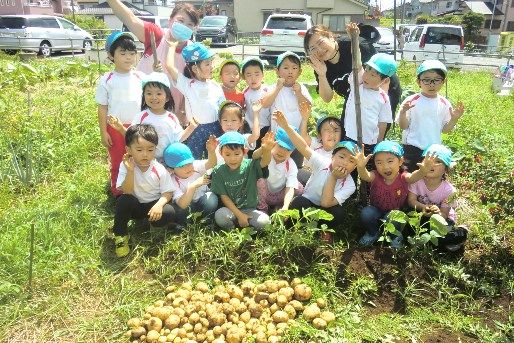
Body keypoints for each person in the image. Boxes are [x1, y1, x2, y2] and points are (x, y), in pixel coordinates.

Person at [105, 0, 199, 126]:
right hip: (142, 112)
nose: (184, 27)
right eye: (180, 21)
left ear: (194, 28)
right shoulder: (156, 36)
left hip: (172, 118)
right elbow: (130, 18)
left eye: (190, 24)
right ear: (170, 20)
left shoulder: (193, 53)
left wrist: (182, 111)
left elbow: (193, 86)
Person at [273, 110, 357, 244]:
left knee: (339, 214)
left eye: (351, 160)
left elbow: (325, 203)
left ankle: (323, 230)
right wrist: (286, 126)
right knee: (298, 202)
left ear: (356, 166)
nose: (345, 162)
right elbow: (303, 147)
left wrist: (333, 177)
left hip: (325, 208)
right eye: (341, 156)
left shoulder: (350, 185)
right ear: (332, 157)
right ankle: (295, 226)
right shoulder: (322, 162)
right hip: (308, 204)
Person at [304, 24, 402, 131]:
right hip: (354, 95)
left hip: (383, 89)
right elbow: (327, 98)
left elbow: (381, 76)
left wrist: (379, 107)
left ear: (331, 37)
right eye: (313, 48)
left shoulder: (355, 44)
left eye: (321, 43)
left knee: (374, 132)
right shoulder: (320, 65)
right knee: (347, 131)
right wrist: (322, 75)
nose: (319, 50)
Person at [354, 140, 435, 247]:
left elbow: (413, 177)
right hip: (376, 210)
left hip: (395, 212)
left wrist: (423, 171)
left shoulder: (403, 177)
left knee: (396, 216)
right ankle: (373, 233)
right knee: (366, 213)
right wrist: (360, 167)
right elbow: (365, 176)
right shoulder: (375, 175)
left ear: (400, 161)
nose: (385, 167)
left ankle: (394, 236)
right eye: (379, 162)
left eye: (390, 161)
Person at [112, 124, 175, 257]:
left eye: (150, 150)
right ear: (128, 150)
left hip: (153, 206)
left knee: (169, 211)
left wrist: (159, 205)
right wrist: (130, 171)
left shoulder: (158, 169)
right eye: (139, 150)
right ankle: (120, 235)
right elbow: (127, 191)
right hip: (134, 205)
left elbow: (168, 193)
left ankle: (154, 225)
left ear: (155, 150)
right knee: (124, 200)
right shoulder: (126, 166)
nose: (145, 154)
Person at [96, 31, 142, 197]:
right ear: (111, 55)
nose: (128, 57)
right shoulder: (107, 79)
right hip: (115, 128)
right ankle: (118, 191)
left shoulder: (140, 77)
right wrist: (103, 132)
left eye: (132, 53)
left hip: (138, 128)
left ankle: (137, 188)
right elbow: (102, 107)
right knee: (117, 160)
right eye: (122, 53)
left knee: (138, 158)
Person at [109, 72, 196, 160]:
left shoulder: (171, 118)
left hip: (168, 162)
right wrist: (120, 128)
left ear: (167, 98)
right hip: (146, 161)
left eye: (158, 94)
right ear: (144, 96)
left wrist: (191, 127)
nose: (154, 97)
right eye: (149, 93)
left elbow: (179, 138)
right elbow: (132, 137)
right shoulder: (141, 117)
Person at [397, 60, 465, 171]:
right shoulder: (411, 101)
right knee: (409, 177)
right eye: (427, 80)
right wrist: (403, 112)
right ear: (418, 82)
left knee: (429, 178)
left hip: (433, 150)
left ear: (444, 82)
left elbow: (445, 130)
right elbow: (403, 126)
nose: (432, 84)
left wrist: (454, 119)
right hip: (411, 148)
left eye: (437, 80)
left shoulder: (444, 103)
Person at [165, 40, 226, 159]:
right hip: (195, 129)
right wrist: (172, 47)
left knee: (216, 160)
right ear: (195, 68)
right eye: (207, 64)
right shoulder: (187, 84)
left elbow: (224, 107)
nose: (211, 67)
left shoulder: (215, 86)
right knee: (193, 160)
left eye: (211, 63)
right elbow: (169, 67)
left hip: (216, 128)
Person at [407, 144, 468, 252]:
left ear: (446, 169)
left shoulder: (449, 191)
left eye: (438, 161)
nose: (432, 164)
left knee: (434, 238)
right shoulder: (416, 181)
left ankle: (461, 232)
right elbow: (411, 201)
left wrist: (437, 212)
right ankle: (445, 241)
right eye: (428, 160)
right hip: (422, 215)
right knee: (410, 231)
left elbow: (444, 215)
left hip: (442, 219)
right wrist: (423, 207)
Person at [210, 131, 274, 230]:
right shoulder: (218, 171)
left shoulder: (250, 165)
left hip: (250, 209)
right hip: (230, 210)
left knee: (265, 222)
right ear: (221, 153)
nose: (232, 159)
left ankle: (245, 223)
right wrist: (239, 215)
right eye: (227, 154)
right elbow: (224, 197)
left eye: (237, 154)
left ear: (244, 152)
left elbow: (265, 162)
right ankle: (233, 229)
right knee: (220, 215)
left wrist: (267, 150)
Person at [261, 51, 313, 167]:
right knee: (275, 165)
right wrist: (278, 89)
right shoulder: (273, 88)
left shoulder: (301, 88)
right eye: (285, 68)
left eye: (294, 68)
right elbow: (265, 103)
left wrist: (298, 93)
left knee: (295, 164)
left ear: (299, 72)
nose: (290, 71)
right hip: (277, 137)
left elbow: (308, 107)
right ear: (277, 71)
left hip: (297, 137)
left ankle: (295, 184)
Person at [163, 139, 218, 226]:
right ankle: (186, 224)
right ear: (172, 169)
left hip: (202, 201)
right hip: (188, 206)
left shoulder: (196, 166)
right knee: (180, 210)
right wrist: (193, 186)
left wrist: (211, 151)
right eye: (181, 166)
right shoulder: (172, 181)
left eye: (189, 163)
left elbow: (212, 163)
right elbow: (182, 204)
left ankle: (207, 220)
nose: (188, 168)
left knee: (212, 199)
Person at [255, 127, 304, 213]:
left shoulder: (290, 164)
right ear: (273, 142)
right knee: (260, 180)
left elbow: (290, 187)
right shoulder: (266, 154)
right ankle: (262, 208)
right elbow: (254, 156)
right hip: (263, 193)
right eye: (280, 146)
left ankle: (281, 207)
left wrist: (285, 206)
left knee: (298, 187)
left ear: (293, 150)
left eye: (288, 149)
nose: (282, 151)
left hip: (279, 195)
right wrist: (263, 148)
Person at [241, 57, 272, 152]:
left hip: (266, 127)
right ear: (243, 77)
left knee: (264, 152)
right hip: (251, 128)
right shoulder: (245, 93)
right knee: (252, 152)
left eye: (257, 74)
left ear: (263, 75)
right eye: (249, 75)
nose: (253, 78)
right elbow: (243, 109)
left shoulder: (267, 90)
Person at [215, 100, 260, 165]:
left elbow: (255, 135)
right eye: (225, 120)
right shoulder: (217, 142)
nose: (229, 124)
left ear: (241, 122)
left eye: (233, 120)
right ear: (220, 122)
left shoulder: (243, 138)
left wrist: (256, 114)